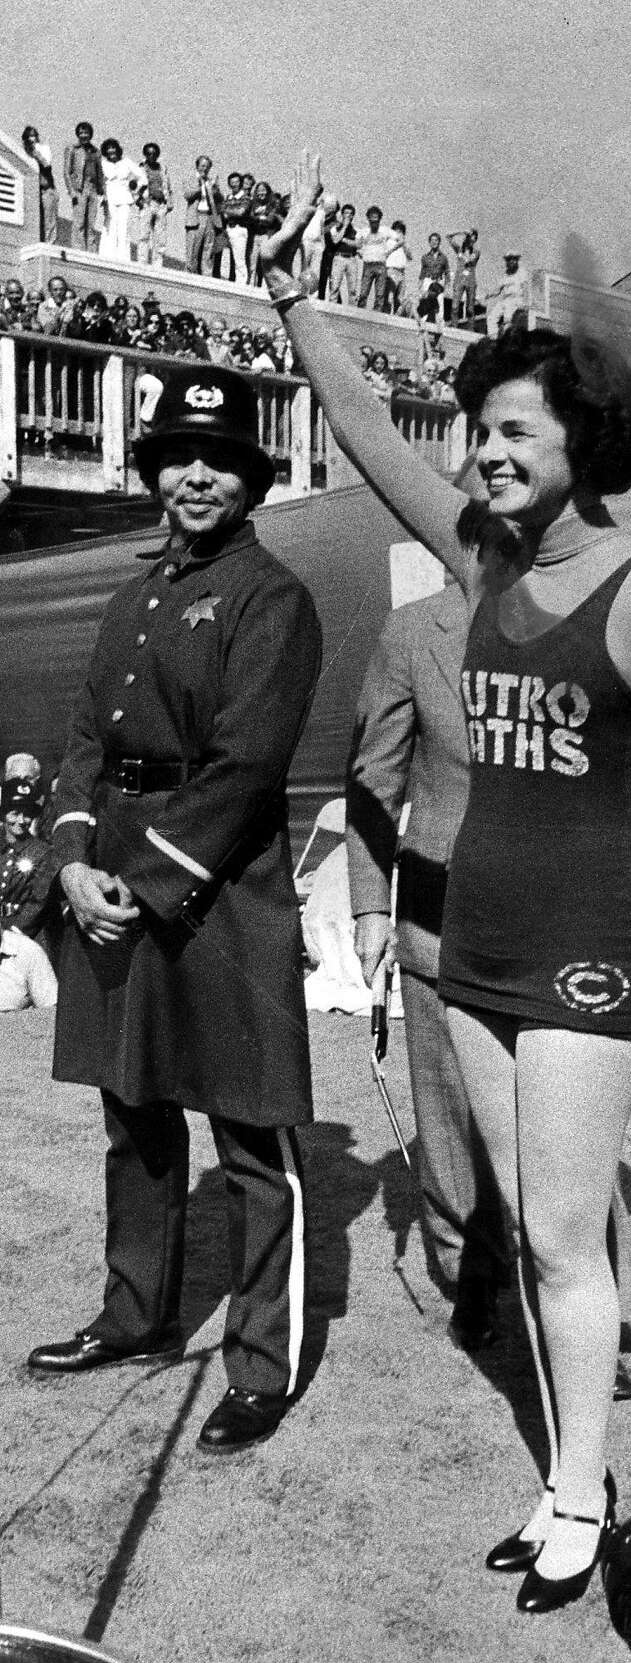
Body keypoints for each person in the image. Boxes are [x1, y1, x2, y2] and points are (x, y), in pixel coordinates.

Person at [262, 148, 631, 1614]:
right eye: (476, 431)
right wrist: (292, 288)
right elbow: (358, 425)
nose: (481, 452)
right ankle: (566, 1475)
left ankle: (578, 1493)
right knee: (513, 1224)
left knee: (554, 1227)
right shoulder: (476, 563)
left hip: (595, 943)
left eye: (512, 430)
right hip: (472, 935)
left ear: (582, 441)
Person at [28, 365, 323, 1458]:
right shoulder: (132, 592)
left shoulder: (272, 597)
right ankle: (133, 1313)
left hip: (218, 894)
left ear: (252, 481)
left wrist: (139, 882)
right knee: (133, 1113)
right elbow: (85, 747)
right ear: (155, 473)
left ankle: (261, 1363)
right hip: (110, 878)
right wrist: (69, 861)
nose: (198, 478)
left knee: (251, 1135)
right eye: (180, 461)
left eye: (223, 464)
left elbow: (247, 769)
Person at [345, 550, 631, 1353]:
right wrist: (370, 906)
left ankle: (603, 1315)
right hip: (441, 920)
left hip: (568, 918)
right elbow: (373, 780)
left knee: (570, 1122)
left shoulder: (583, 622)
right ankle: (473, 1273)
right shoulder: (409, 635)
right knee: (448, 1114)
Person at [0, 772, 52, 939]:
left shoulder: (42, 853)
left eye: (27, 814)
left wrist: (8, 936)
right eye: (15, 813)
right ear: (3, 814)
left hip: (19, 936)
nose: (22, 820)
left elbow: (38, 904)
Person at [97, 139, 146, 263]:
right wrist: (102, 196)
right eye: (108, 149)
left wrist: (135, 189)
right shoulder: (102, 163)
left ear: (118, 149)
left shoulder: (127, 162)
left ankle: (123, 258)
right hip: (109, 197)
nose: (111, 151)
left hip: (124, 197)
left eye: (113, 148)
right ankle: (107, 256)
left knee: (123, 227)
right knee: (110, 226)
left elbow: (143, 178)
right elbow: (99, 180)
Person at [63, 121, 103, 252]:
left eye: (86, 133)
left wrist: (102, 191)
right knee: (79, 221)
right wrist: (71, 191)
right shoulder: (72, 149)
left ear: (90, 134)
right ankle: (78, 251)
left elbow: (100, 173)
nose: (83, 135)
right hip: (79, 188)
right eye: (81, 133)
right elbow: (67, 171)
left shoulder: (95, 151)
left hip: (93, 188)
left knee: (91, 223)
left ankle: (91, 252)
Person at [134, 143, 173, 268]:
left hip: (161, 204)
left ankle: (157, 264)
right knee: (144, 234)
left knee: (160, 237)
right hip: (147, 202)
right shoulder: (140, 168)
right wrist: (137, 199)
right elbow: (134, 186)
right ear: (145, 154)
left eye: (154, 154)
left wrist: (169, 202)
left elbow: (168, 186)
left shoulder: (162, 168)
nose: (152, 156)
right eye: (149, 153)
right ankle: (142, 262)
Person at [21, 125, 59, 243]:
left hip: (47, 188)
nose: (31, 139)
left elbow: (46, 164)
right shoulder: (24, 152)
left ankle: (49, 244)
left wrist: (35, 153)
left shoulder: (42, 149)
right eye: (29, 137)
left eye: (33, 135)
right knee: (35, 219)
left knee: (49, 220)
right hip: (33, 190)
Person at [485, 249, 531, 337]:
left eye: (514, 259)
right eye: (509, 260)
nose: (512, 262)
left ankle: (507, 339)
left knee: (507, 319)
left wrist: (526, 302)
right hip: (505, 299)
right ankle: (493, 337)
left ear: (517, 261)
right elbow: (497, 290)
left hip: (516, 299)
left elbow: (525, 288)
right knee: (492, 317)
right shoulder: (505, 275)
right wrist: (488, 295)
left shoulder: (522, 272)